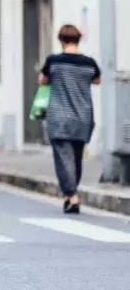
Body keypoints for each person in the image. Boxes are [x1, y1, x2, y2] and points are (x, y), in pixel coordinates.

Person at [39, 25, 101, 215]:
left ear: (61, 40)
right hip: (83, 116)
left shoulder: (54, 62)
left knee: (63, 159)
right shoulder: (89, 63)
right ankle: (69, 196)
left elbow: (42, 81)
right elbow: (97, 80)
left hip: (59, 117)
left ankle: (72, 196)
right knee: (76, 158)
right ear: (78, 40)